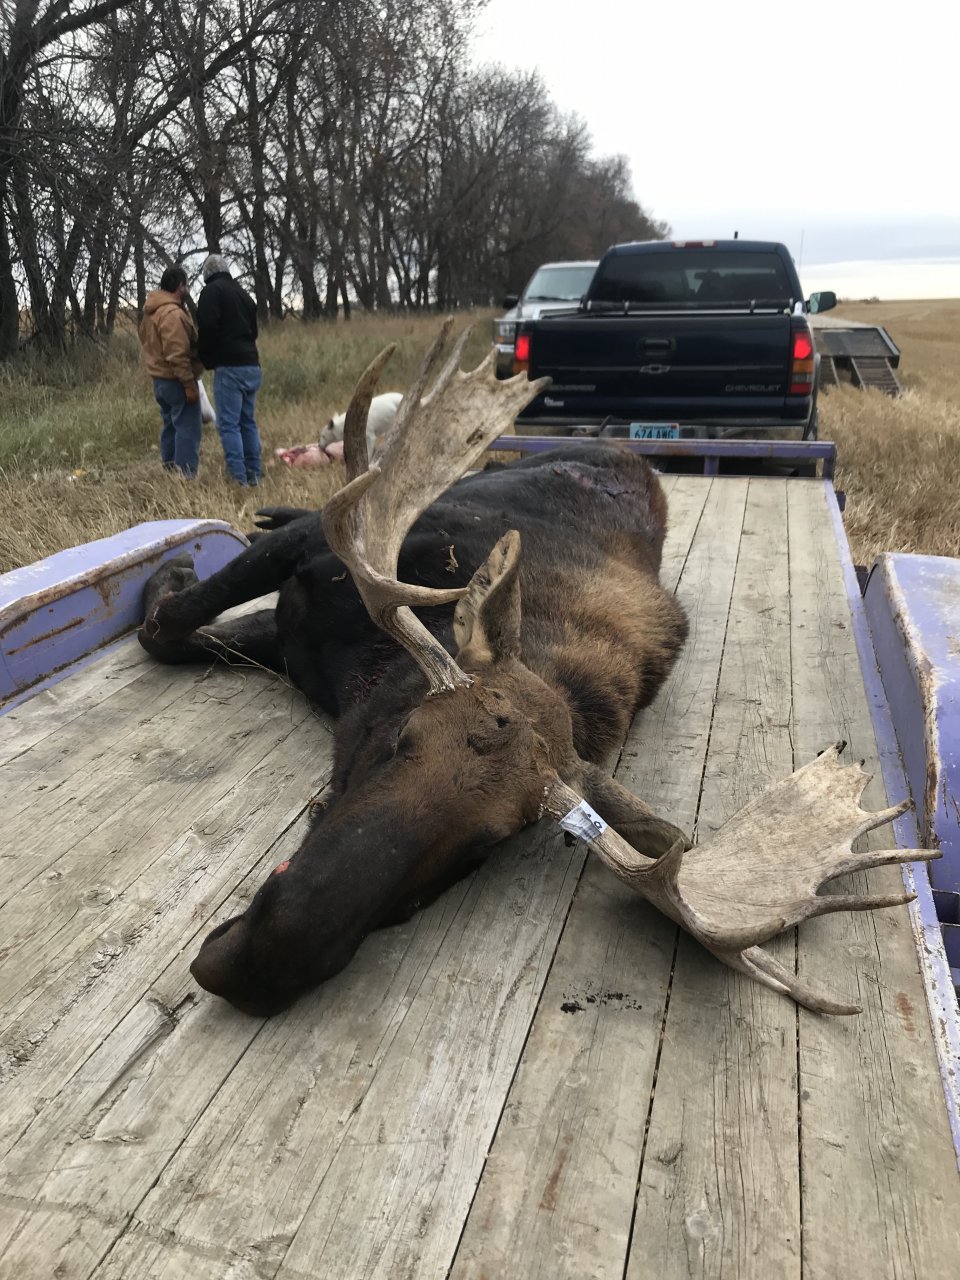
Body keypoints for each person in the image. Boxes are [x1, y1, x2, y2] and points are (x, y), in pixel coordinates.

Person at [197, 253, 263, 486]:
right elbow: (253, 332)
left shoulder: (211, 292)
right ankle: (254, 474)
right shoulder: (243, 294)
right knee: (247, 422)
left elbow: (207, 328)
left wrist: (206, 358)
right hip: (252, 365)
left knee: (229, 425)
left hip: (230, 368)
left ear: (207, 275)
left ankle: (238, 479)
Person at [138, 266, 203, 478]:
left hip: (159, 381)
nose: (187, 290)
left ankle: (170, 470)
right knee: (187, 429)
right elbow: (177, 355)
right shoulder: (173, 314)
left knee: (171, 425)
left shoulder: (151, 312)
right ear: (179, 286)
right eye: (186, 285)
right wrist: (189, 385)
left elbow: (145, 340)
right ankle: (185, 477)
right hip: (176, 380)